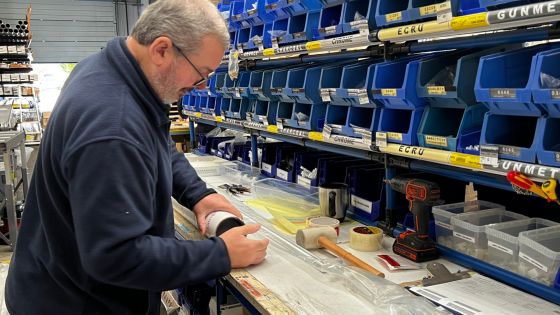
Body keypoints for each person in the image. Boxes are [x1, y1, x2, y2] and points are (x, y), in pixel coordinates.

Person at [5, 0, 269, 313]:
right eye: (202, 73)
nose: (202, 85)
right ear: (161, 50)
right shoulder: (112, 127)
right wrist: (221, 254)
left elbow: (158, 141)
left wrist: (198, 195)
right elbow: (116, 255)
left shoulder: (108, 70)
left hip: (55, 276)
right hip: (73, 303)